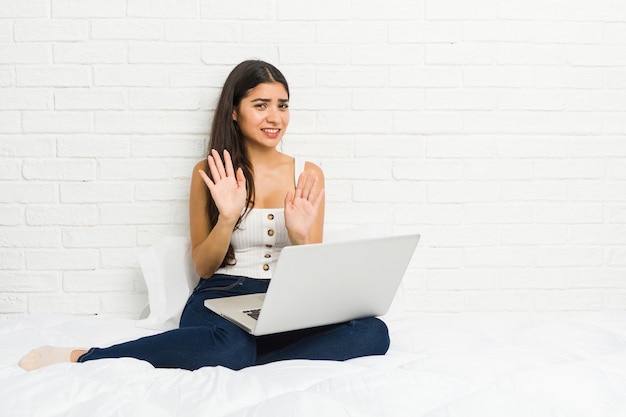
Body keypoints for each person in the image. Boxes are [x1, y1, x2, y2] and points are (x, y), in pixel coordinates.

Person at [18, 60, 390, 372]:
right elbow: (205, 266)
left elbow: (313, 272)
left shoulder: (309, 174)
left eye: (283, 105)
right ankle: (87, 356)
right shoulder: (207, 173)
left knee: (374, 333)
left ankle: (247, 358)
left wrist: (300, 235)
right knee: (228, 347)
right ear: (234, 110)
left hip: (285, 300)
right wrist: (227, 218)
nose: (275, 117)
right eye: (260, 105)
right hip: (221, 295)